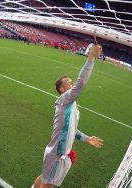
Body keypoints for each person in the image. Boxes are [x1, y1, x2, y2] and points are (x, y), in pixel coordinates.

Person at [32, 44, 104, 188]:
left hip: (58, 154)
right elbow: (81, 84)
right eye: (69, 82)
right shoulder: (64, 99)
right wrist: (91, 58)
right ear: (62, 89)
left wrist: (87, 138)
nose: (72, 83)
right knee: (48, 185)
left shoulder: (73, 107)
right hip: (56, 155)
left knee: (45, 179)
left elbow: (73, 131)